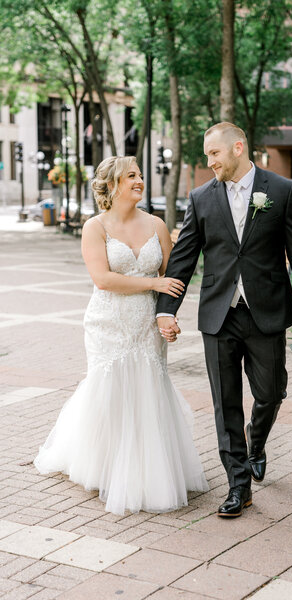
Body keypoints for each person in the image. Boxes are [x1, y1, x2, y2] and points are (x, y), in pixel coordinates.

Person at [157, 122, 292, 518]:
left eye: (214, 153)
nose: (209, 161)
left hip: (266, 311)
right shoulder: (200, 198)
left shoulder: (280, 191)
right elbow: (183, 257)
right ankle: (238, 486)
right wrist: (166, 309)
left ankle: (257, 442)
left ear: (237, 148)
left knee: (271, 392)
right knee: (224, 403)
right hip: (219, 315)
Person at [34, 156, 208, 515]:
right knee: (109, 386)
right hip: (107, 321)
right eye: (131, 176)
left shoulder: (157, 225)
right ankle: (105, 464)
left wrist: (166, 317)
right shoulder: (94, 227)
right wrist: (153, 282)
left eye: (141, 175)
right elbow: (103, 279)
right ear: (112, 185)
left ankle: (148, 468)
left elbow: (173, 278)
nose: (140, 180)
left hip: (146, 324)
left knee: (148, 386)